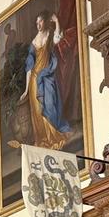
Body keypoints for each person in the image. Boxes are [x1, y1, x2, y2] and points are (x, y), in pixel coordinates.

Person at [23, 11, 73, 149]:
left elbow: (58, 39)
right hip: (34, 80)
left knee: (50, 104)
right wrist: (27, 89)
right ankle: (43, 138)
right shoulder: (33, 42)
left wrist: (56, 22)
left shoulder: (50, 34)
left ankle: (53, 135)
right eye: (36, 23)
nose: (38, 25)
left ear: (45, 21)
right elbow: (29, 67)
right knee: (37, 109)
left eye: (41, 22)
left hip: (47, 76)